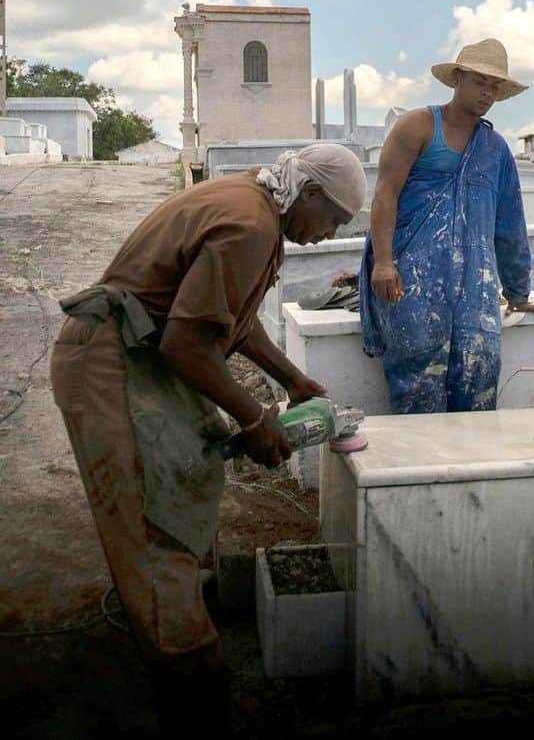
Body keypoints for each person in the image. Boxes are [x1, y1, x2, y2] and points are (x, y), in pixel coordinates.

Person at [49, 144, 366, 736]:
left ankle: (179, 643)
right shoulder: (250, 222)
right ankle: (194, 690)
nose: (330, 237)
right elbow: (187, 345)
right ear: (312, 194)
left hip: (135, 353)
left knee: (183, 480)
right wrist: (254, 420)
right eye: (335, 221)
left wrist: (291, 379)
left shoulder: (257, 203)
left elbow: (227, 322)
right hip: (109, 361)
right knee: (152, 524)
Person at [360, 37, 534, 413]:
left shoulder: (495, 149)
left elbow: (509, 224)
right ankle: (420, 472)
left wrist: (518, 290)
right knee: (416, 388)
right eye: (480, 82)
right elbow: (384, 196)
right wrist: (383, 262)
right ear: (457, 78)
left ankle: (470, 472)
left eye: (494, 86)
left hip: (476, 290)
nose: (487, 93)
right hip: (412, 282)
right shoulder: (418, 126)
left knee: (478, 383)